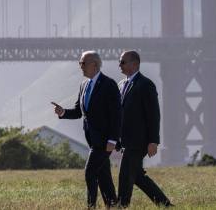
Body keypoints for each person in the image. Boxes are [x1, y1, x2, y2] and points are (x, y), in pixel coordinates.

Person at [53, 50, 120, 208]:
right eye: (79, 63)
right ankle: (113, 205)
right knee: (103, 175)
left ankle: (91, 206)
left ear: (94, 65)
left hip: (104, 141)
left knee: (90, 172)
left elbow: (117, 116)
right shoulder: (84, 85)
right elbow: (78, 111)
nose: (80, 66)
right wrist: (63, 112)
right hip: (92, 140)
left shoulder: (109, 84)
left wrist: (113, 139)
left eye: (83, 63)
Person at [116, 50, 172, 207]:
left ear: (135, 64)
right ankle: (164, 204)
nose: (119, 65)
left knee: (125, 174)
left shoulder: (145, 84)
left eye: (123, 62)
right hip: (125, 140)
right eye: (119, 62)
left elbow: (153, 115)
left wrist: (153, 141)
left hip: (138, 140)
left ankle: (121, 205)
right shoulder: (121, 85)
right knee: (137, 176)